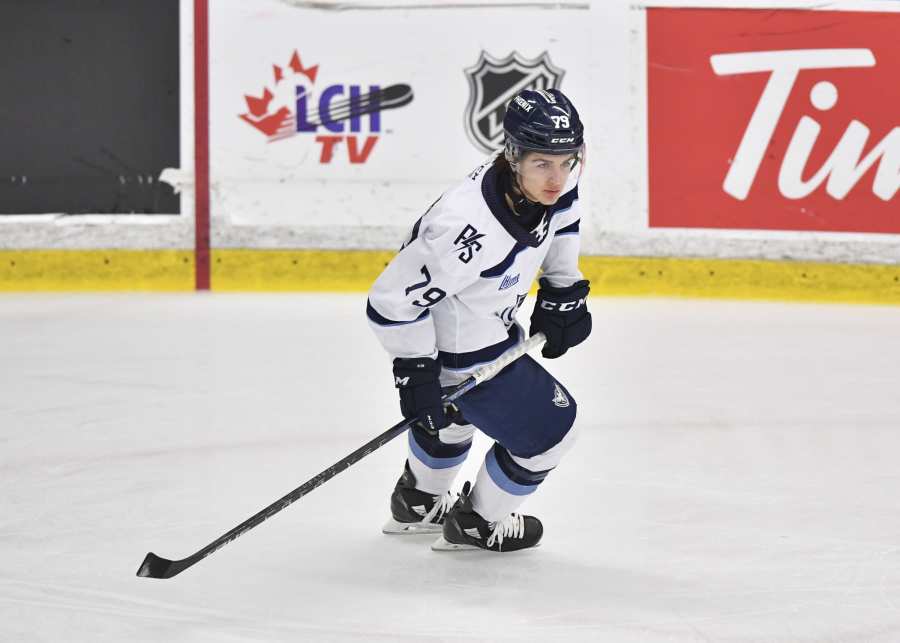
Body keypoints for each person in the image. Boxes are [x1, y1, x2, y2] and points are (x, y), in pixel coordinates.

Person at [366, 88, 592, 552]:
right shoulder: (466, 229)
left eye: (568, 161)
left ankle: (418, 502)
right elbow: (391, 301)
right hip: (467, 355)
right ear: (513, 156)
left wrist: (562, 287)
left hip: (486, 330)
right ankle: (478, 524)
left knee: (451, 420)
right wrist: (415, 371)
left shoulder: (546, 179)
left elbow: (563, 212)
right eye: (543, 164)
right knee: (553, 433)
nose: (557, 177)